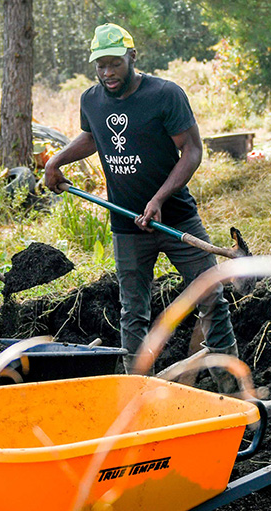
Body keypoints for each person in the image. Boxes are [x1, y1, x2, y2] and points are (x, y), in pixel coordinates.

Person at [43, 23, 238, 371]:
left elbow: (192, 150)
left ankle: (235, 392)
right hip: (127, 224)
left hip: (176, 217)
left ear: (132, 56)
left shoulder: (165, 95)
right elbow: (92, 137)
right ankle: (137, 393)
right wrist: (56, 160)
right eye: (100, 65)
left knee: (211, 298)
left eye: (115, 63)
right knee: (132, 311)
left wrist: (160, 198)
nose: (107, 72)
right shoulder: (91, 99)